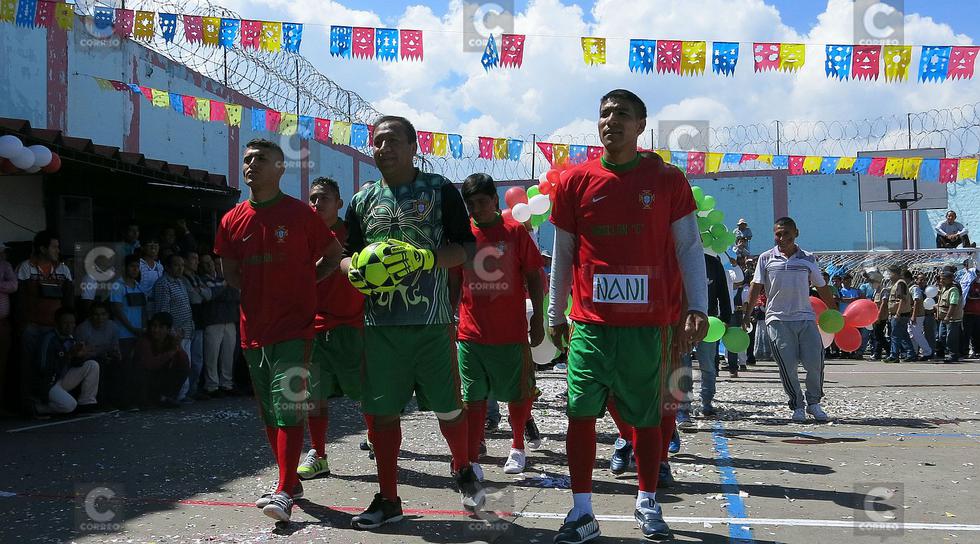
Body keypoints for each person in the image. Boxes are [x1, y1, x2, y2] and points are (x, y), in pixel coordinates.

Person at [547, 90, 708, 542]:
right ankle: (581, 512)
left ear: (641, 125)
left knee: (647, 417)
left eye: (621, 114)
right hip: (590, 326)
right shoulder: (575, 181)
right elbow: (562, 253)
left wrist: (697, 306)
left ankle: (647, 502)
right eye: (604, 114)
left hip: (647, 326)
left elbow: (689, 247)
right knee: (579, 413)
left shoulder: (667, 179)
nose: (610, 121)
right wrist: (555, 312)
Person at [339, 116, 482, 530]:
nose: (384, 148)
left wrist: (426, 258)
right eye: (377, 142)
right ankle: (388, 498)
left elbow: (467, 250)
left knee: (449, 408)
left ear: (413, 145)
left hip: (431, 322)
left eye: (393, 141)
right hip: (380, 327)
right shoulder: (363, 200)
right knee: (382, 414)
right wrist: (355, 269)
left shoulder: (439, 191)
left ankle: (462, 467)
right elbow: (347, 254)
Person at [214, 139, 339, 523]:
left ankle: (284, 489)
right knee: (270, 410)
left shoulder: (301, 214)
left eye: (261, 160)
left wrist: (305, 284)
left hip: (296, 328)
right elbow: (231, 274)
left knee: (289, 406)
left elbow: (332, 255)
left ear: (281, 168)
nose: (251, 165)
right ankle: (291, 482)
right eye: (247, 160)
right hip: (254, 329)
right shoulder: (231, 219)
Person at [455, 173, 544, 476]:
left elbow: (533, 275)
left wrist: (540, 321)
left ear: (495, 199)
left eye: (482, 202)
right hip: (470, 334)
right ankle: (473, 459)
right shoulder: (462, 235)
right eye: (471, 204)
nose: (477, 209)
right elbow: (453, 280)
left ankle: (517, 446)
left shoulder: (515, 232)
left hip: (510, 335)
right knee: (472, 398)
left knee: (518, 394)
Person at [296, 177, 367, 481]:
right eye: (312, 198)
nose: (317, 203)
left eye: (324, 197)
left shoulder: (354, 234)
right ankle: (319, 453)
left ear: (339, 203)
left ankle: (378, 439)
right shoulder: (302, 237)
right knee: (314, 397)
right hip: (313, 328)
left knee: (367, 393)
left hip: (352, 326)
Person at [742, 217, 836, 423]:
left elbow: (821, 287)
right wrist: (747, 314)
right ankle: (797, 405)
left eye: (786, 233)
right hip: (777, 319)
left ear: (796, 233)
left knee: (815, 363)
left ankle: (814, 403)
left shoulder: (809, 259)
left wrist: (834, 311)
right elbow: (756, 286)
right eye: (778, 233)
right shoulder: (766, 259)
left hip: (806, 318)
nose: (782, 238)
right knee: (788, 366)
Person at [17, 230, 74, 370]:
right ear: (43, 249)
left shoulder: (64, 269)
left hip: (56, 329)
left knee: (55, 365)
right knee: (28, 365)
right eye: (54, 247)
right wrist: (23, 326)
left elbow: (69, 301)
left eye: (58, 247)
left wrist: (68, 327)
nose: (58, 251)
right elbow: (19, 300)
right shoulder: (26, 267)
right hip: (32, 327)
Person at [32, 308, 100, 415]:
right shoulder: (49, 339)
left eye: (72, 323)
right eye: (65, 323)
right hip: (48, 383)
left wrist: (81, 355)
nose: (69, 326)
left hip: (61, 379)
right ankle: (38, 408)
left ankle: (86, 404)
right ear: (57, 323)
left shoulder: (70, 339)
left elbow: (74, 363)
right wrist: (69, 355)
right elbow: (43, 368)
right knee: (69, 406)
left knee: (92, 365)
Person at [150, 253, 194, 401]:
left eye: (182, 265)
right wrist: (170, 333)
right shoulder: (163, 284)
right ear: (167, 267)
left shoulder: (180, 282)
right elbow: (163, 311)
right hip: (174, 333)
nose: (180, 268)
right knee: (176, 365)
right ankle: (172, 395)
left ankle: (182, 394)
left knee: (186, 363)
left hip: (186, 330)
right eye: (176, 265)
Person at [198, 253, 239, 396]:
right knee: (212, 355)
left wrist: (219, 290)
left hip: (230, 321)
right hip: (213, 321)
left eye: (213, 263)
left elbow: (237, 295)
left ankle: (226, 384)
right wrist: (224, 288)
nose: (210, 266)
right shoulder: (202, 280)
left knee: (228, 355)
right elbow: (208, 296)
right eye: (206, 263)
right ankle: (212, 386)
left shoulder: (226, 280)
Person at [74, 302, 125, 407]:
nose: (100, 318)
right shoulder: (83, 329)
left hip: (106, 357)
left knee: (120, 365)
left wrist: (115, 354)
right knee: (98, 365)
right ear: (91, 315)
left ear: (108, 315)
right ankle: (99, 402)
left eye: (103, 314)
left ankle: (118, 401)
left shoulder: (113, 327)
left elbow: (114, 347)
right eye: (96, 314)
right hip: (87, 362)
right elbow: (79, 354)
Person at [135, 312, 190, 408]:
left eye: (161, 327)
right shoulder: (145, 340)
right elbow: (149, 364)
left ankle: (167, 397)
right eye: (154, 326)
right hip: (144, 379)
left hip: (159, 378)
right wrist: (170, 353)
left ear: (168, 330)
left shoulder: (170, 340)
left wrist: (178, 346)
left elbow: (184, 362)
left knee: (183, 366)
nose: (156, 330)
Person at [181, 250, 211, 400]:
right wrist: (200, 292)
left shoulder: (197, 278)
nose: (196, 262)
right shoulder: (182, 279)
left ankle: (193, 389)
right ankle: (183, 392)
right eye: (193, 258)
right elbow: (194, 298)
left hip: (199, 323)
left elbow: (209, 295)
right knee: (187, 359)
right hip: (186, 323)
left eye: (197, 258)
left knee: (198, 359)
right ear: (185, 261)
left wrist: (199, 292)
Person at [109, 255, 147, 366]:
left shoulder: (140, 287)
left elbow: (144, 311)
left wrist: (143, 329)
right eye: (132, 266)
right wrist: (132, 329)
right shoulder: (117, 286)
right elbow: (117, 310)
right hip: (123, 335)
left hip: (139, 335)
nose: (135, 269)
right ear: (124, 268)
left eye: (137, 266)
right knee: (123, 367)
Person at [883, 265, 915, 363]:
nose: (889, 276)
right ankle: (911, 354)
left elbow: (902, 299)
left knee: (895, 335)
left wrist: (897, 313)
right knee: (904, 335)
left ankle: (894, 355)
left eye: (890, 273)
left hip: (900, 315)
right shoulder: (897, 283)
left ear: (895, 273)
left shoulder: (900, 284)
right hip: (900, 314)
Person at [0, 241, 16, 412]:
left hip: (2, 322)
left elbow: (14, 285)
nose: (4, 254)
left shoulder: (5, 266)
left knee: (2, 365)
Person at [935, 270, 963, 363]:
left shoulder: (953, 290)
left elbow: (953, 304)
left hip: (952, 319)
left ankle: (953, 355)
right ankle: (950, 352)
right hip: (943, 318)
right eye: (941, 279)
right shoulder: (943, 288)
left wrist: (948, 316)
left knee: (951, 338)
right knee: (941, 336)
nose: (941, 281)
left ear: (950, 279)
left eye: (944, 279)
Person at [909, 271, 935, 361]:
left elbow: (916, 301)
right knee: (913, 334)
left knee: (917, 334)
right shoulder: (916, 288)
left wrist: (914, 316)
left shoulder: (918, 289)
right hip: (919, 314)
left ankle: (928, 352)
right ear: (916, 280)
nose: (922, 281)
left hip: (918, 315)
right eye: (920, 279)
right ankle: (914, 352)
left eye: (924, 280)